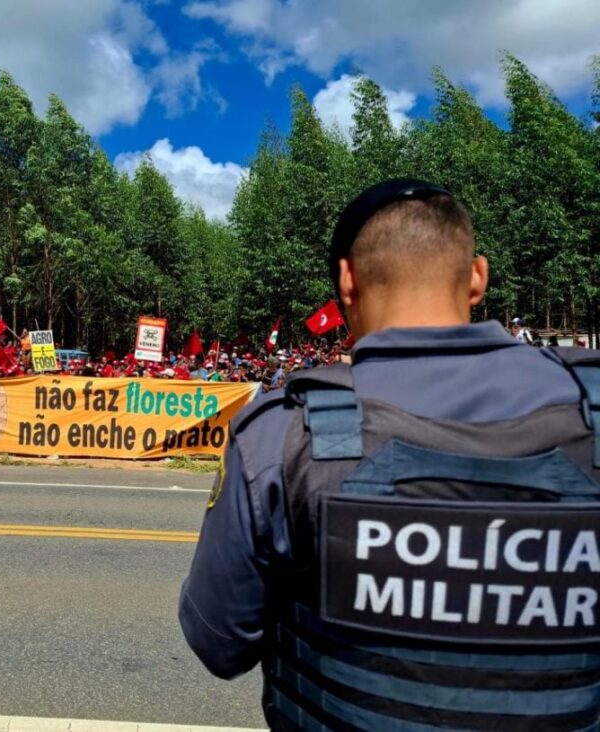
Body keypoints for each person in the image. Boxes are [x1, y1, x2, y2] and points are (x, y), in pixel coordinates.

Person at [180, 179, 600, 731]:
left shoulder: (283, 433)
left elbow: (220, 642)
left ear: (346, 282)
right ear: (478, 276)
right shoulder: (590, 407)